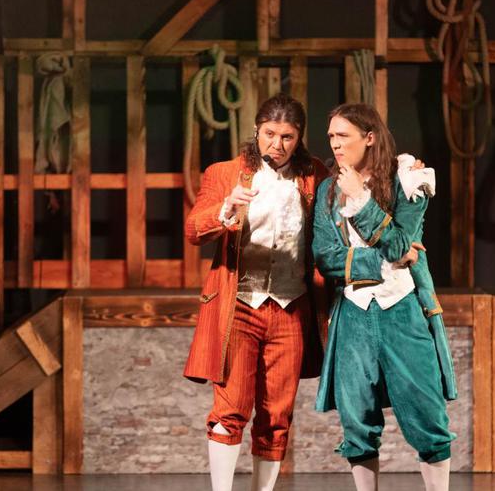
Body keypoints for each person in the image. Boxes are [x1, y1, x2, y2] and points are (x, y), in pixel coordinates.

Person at [183, 93, 328, 491]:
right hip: (240, 306)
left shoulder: (314, 174)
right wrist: (225, 209)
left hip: (291, 306)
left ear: (299, 138)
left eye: (287, 137)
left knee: (277, 415)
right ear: (256, 131)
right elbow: (193, 229)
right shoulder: (225, 173)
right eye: (269, 134)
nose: (276, 145)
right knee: (230, 408)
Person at [312, 103, 457, 491]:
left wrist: (361, 200)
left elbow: (399, 244)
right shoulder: (327, 190)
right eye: (331, 136)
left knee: (425, 411)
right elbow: (325, 256)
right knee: (356, 417)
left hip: (402, 307)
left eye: (344, 136)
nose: (335, 144)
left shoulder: (408, 178)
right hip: (353, 311)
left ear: (370, 137)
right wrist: (381, 259)